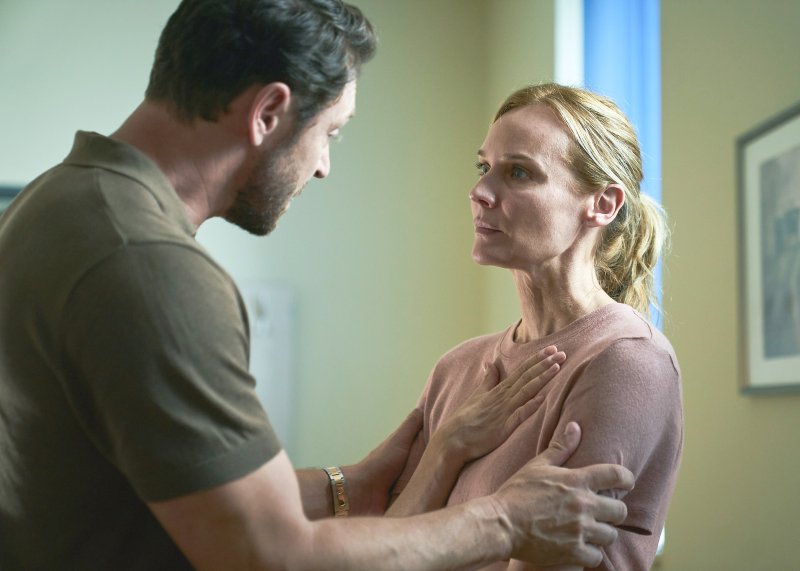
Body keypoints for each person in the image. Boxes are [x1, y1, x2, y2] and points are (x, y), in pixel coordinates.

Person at [0, 3, 634, 570]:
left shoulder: (53, 204)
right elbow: (271, 555)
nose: (324, 165)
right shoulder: (149, 267)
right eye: (329, 132)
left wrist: (351, 484)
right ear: (269, 113)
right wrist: (506, 521)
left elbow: (177, 491)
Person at [388, 83, 685, 571]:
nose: (479, 192)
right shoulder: (455, 368)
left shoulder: (626, 361)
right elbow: (384, 550)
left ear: (603, 203)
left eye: (519, 172)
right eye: (484, 168)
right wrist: (446, 448)